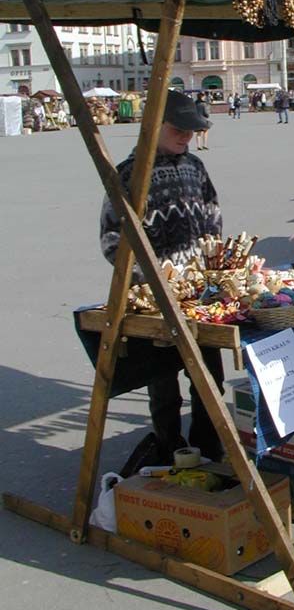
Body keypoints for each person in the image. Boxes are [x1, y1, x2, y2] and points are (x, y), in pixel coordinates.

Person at [100, 90, 224, 470]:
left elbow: (214, 215)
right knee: (163, 385)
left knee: (209, 381)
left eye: (192, 130)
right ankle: (170, 449)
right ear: (153, 126)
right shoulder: (128, 174)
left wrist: (213, 263)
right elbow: (111, 239)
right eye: (178, 128)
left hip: (199, 296)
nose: (187, 136)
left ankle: (208, 448)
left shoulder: (196, 168)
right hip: (155, 298)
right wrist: (151, 278)